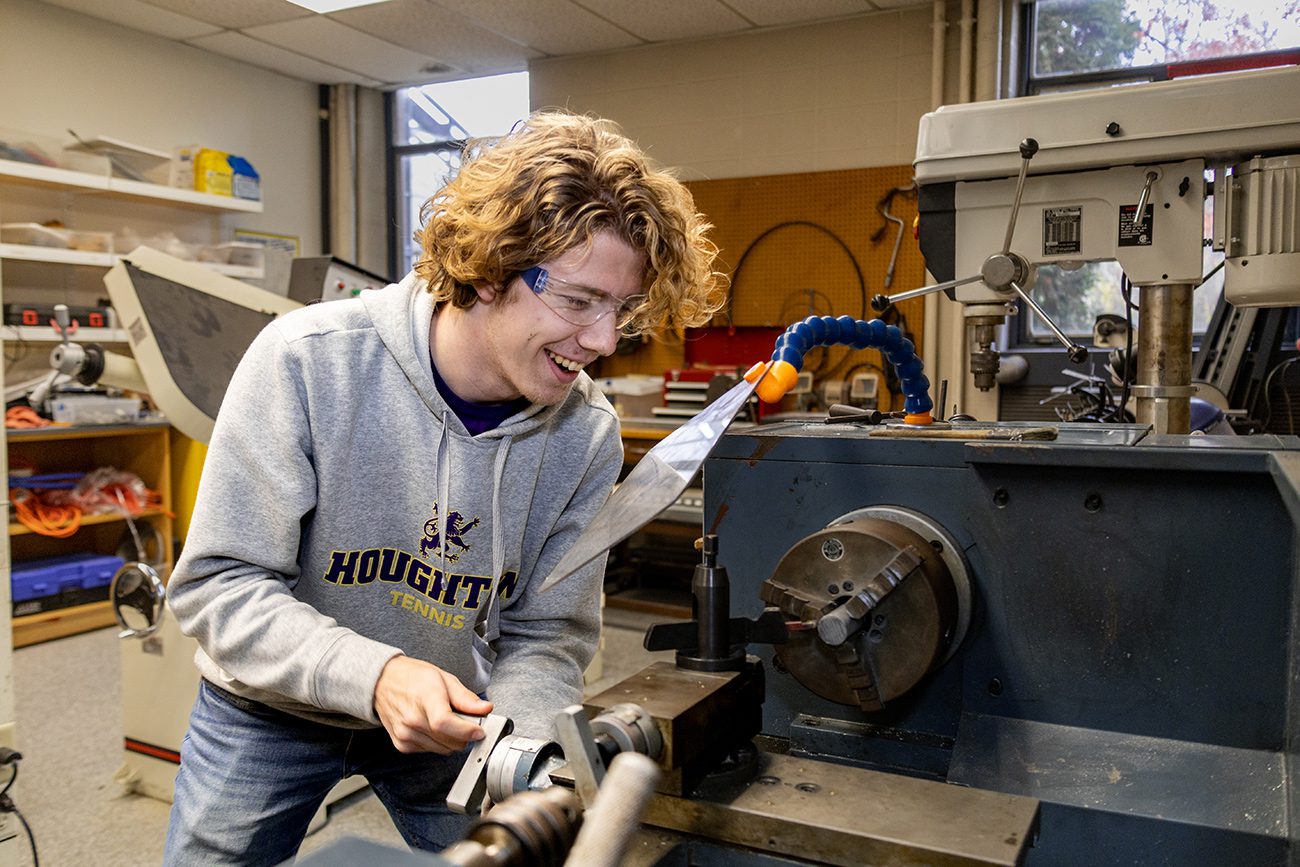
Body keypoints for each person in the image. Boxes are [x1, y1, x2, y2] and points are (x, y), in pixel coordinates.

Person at [161, 111, 725, 865]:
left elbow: (546, 633)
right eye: (580, 300)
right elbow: (218, 584)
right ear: (491, 269)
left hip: (454, 717)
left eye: (620, 311)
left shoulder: (585, 432)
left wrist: (522, 749)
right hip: (271, 705)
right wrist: (378, 674)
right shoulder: (306, 362)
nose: (600, 342)